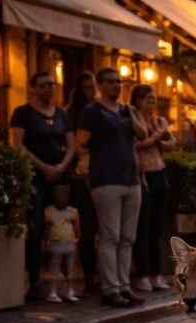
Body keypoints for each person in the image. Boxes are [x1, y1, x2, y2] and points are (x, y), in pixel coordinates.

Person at [76, 68, 145, 308]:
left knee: (127, 237)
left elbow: (142, 133)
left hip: (131, 179)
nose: (116, 86)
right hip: (106, 179)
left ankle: (125, 286)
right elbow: (81, 142)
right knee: (110, 235)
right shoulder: (92, 111)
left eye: (119, 82)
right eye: (111, 82)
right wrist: (86, 165)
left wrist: (132, 111)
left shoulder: (127, 110)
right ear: (100, 84)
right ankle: (110, 288)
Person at [10, 71, 76, 298]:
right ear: (33, 88)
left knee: (62, 228)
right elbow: (18, 145)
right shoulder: (22, 113)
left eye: (52, 85)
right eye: (44, 85)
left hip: (59, 178)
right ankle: (35, 280)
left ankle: (64, 283)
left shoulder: (62, 115)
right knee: (36, 227)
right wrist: (44, 167)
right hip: (36, 177)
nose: (49, 89)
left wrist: (60, 167)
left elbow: (71, 145)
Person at [129, 84, 175, 292]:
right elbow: (134, 145)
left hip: (159, 172)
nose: (151, 103)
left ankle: (157, 273)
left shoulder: (159, 121)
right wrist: (155, 139)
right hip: (142, 174)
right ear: (137, 100)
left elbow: (171, 144)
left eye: (154, 99)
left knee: (157, 228)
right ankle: (143, 274)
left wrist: (159, 140)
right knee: (143, 227)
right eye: (147, 99)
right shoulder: (133, 119)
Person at [65, 71, 99, 293]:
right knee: (88, 225)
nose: (91, 91)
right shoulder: (71, 114)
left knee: (102, 228)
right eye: (87, 87)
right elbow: (75, 145)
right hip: (80, 175)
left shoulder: (99, 111)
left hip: (102, 174)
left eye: (92, 87)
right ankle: (89, 274)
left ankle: (98, 272)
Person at [43, 184, 80, 303]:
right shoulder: (49, 211)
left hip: (69, 243)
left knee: (70, 271)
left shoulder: (72, 211)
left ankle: (69, 290)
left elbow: (76, 227)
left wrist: (76, 238)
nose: (61, 197)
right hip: (55, 243)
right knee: (54, 270)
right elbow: (47, 228)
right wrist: (46, 241)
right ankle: (53, 291)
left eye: (64, 194)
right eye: (58, 194)